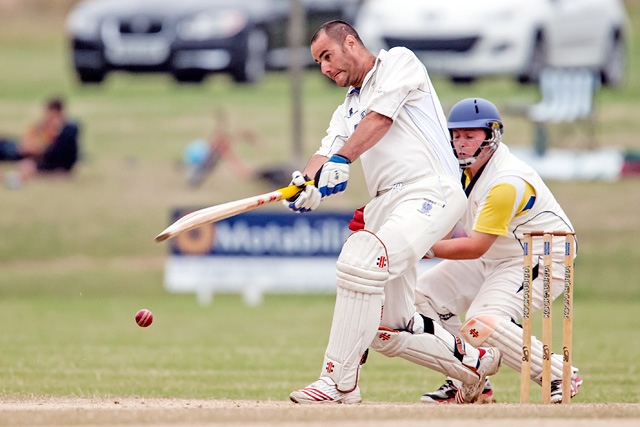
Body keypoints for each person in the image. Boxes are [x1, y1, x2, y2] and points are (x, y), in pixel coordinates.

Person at [283, 21, 502, 405]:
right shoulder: (347, 107)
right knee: (389, 328)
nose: (324, 68)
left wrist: (341, 160)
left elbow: (380, 119)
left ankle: (338, 382)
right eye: (317, 62)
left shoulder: (399, 62)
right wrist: (306, 183)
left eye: (327, 56)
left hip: (429, 188)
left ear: (350, 43)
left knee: (364, 257)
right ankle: (476, 365)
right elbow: (326, 151)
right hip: (388, 203)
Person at [410, 98, 582, 404]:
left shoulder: (506, 182)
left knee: (482, 320)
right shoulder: (459, 171)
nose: (461, 143)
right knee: (421, 296)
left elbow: (475, 245)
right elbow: (447, 227)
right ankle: (468, 374)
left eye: (470, 135)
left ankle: (558, 373)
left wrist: (426, 248)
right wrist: (417, 242)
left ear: (491, 135)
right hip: (498, 254)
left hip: (543, 254)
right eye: (456, 135)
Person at [184, 108, 290, 188]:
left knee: (267, 173)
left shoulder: (218, 146)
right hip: (244, 171)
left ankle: (281, 177)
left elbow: (237, 135)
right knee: (264, 174)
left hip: (243, 170)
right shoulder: (217, 146)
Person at [1, 97, 79, 188]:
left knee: (24, 165)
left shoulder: (67, 129)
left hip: (49, 161)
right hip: (35, 154)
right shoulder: (48, 127)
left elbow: (56, 154)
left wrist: (37, 152)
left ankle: (11, 178)